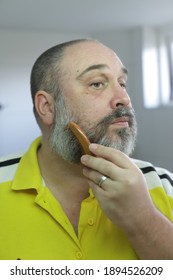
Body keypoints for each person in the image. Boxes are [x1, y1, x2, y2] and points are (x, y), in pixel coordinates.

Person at [0, 38, 173, 260]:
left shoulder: (165, 185)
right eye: (97, 83)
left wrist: (142, 218)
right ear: (47, 107)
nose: (124, 99)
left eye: (122, 83)